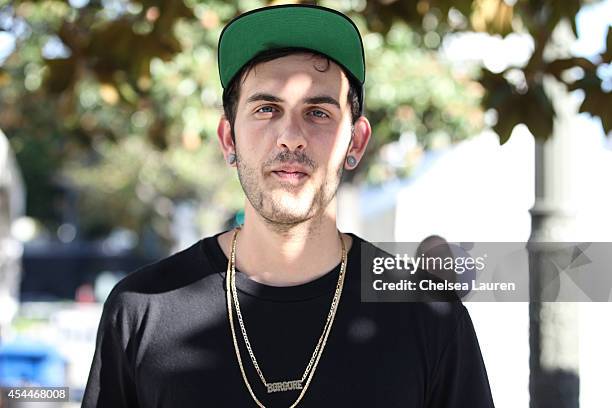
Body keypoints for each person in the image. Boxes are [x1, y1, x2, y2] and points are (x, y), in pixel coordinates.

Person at [82, 4, 495, 407]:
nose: (290, 137)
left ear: (356, 142)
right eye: (266, 109)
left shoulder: (429, 319)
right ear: (229, 139)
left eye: (317, 112)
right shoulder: (141, 309)